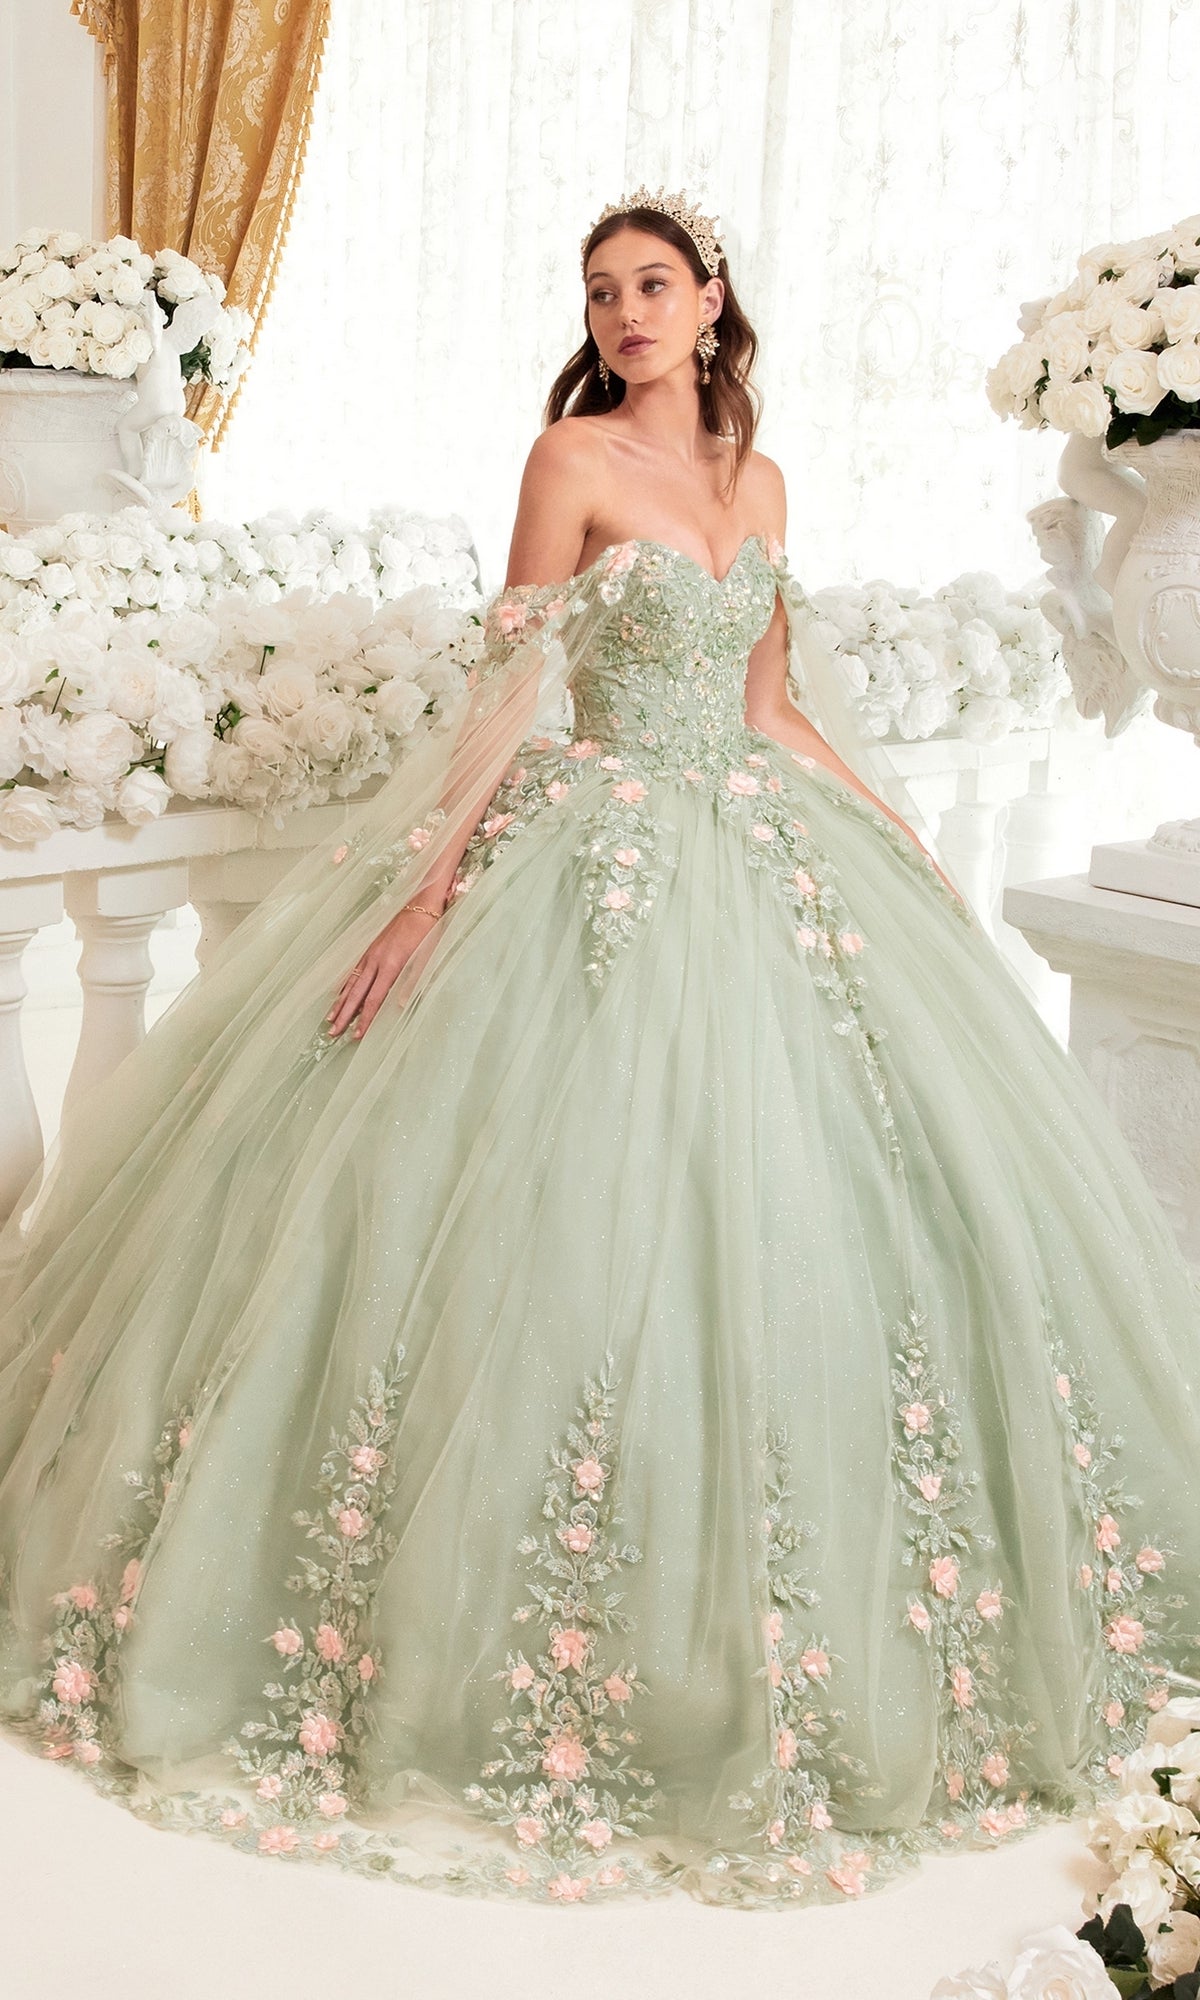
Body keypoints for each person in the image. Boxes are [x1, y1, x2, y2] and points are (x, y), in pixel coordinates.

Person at [1, 187, 1198, 1913]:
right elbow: (513, 698)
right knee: (546, 1223)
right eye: (601, 290)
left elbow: (774, 707)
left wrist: (903, 844)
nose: (627, 310)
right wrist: (423, 900)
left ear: (712, 302)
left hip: (754, 836)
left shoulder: (759, 483)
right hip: (598, 851)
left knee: (800, 1213)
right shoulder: (568, 460)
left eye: (653, 282)